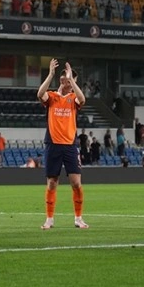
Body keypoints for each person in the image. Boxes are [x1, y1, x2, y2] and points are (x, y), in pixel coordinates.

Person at [37, 59, 89, 230]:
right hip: (53, 144)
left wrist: (72, 80)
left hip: (70, 145)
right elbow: (40, 94)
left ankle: (78, 218)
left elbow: (82, 99)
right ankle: (49, 219)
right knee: (52, 182)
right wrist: (50, 74)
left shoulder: (73, 98)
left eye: (72, 81)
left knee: (76, 183)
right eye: (68, 81)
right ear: (61, 80)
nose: (70, 85)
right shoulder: (52, 97)